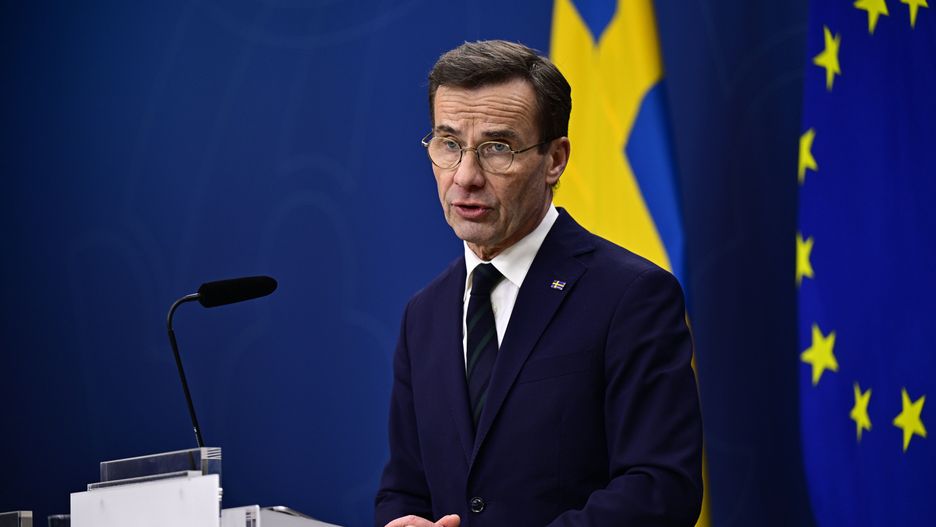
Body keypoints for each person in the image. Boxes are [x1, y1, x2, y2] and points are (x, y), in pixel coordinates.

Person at [375, 40, 702, 527]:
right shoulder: (424, 313)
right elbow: (404, 489)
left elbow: (660, 489)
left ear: (555, 159)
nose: (465, 176)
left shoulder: (631, 296)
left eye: (497, 148)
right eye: (449, 144)